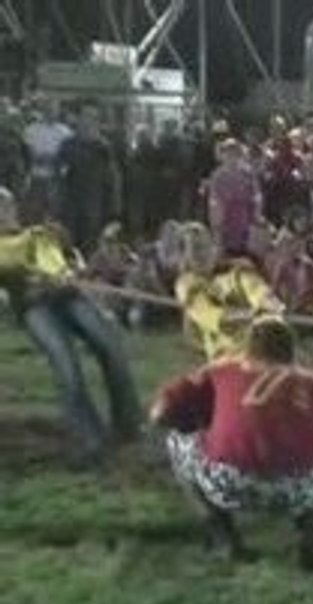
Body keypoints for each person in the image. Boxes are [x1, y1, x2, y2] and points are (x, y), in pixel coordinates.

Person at [150, 317, 313, 570]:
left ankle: (224, 538)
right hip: (299, 489)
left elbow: (159, 414)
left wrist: (197, 423)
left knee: (177, 441)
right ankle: (311, 534)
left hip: (229, 482)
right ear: (292, 352)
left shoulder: (220, 370)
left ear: (247, 348)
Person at [0, 188, 141, 467]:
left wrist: (70, 272)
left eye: (5, 205)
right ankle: (90, 439)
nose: (3, 212)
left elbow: (66, 262)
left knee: (110, 346)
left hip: (69, 295)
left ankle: (128, 425)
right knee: (67, 365)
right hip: (34, 307)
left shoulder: (40, 234)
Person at [174, 222, 284, 360]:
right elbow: (214, 317)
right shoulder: (187, 285)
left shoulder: (236, 269)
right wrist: (254, 315)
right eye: (195, 249)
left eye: (206, 246)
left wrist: (267, 301)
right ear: (184, 256)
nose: (202, 253)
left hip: (259, 354)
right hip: (226, 361)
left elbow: (255, 287)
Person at [55, 101, 122, 257]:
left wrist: (114, 210)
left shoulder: (103, 147)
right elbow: (59, 176)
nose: (89, 121)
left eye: (93, 117)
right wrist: (57, 204)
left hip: (94, 206)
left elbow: (112, 180)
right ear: (78, 119)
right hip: (70, 206)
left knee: (90, 249)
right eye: (86, 116)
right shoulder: (68, 145)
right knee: (68, 247)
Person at [207, 139, 262, 258]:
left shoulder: (248, 173)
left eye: (235, 152)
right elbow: (213, 201)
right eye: (228, 152)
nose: (232, 155)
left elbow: (257, 195)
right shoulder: (217, 176)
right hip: (226, 221)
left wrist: (257, 214)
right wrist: (216, 225)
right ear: (223, 155)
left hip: (245, 218)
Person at [22, 96, 73, 223]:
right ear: (42, 109)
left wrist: (52, 160)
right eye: (47, 108)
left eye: (53, 109)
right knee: (34, 214)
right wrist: (39, 158)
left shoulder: (65, 132)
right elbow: (27, 153)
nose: (50, 111)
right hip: (36, 178)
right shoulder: (31, 130)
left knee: (54, 214)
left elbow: (67, 157)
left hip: (55, 179)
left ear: (58, 111)